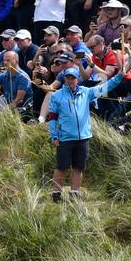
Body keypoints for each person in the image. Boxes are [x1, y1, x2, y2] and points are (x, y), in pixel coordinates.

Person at [46, 65, 113, 201]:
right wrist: (53, 135)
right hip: (64, 138)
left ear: (78, 79)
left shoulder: (86, 92)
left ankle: (75, 193)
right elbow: (52, 117)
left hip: (83, 137)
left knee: (79, 167)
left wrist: (120, 76)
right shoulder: (56, 95)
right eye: (68, 78)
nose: (70, 80)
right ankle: (56, 194)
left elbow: (105, 88)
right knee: (61, 167)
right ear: (64, 79)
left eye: (73, 78)